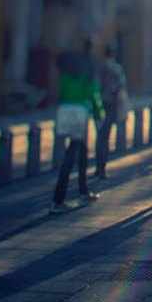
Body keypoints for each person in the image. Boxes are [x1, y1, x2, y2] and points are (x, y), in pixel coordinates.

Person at [50, 39, 103, 214]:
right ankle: (58, 200)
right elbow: (93, 92)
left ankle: (83, 190)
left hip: (65, 110)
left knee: (81, 151)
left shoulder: (67, 67)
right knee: (73, 152)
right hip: (79, 111)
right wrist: (98, 112)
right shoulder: (87, 67)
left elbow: (59, 90)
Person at [95, 45, 129, 179]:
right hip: (111, 105)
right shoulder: (117, 69)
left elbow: (95, 85)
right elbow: (121, 85)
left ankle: (98, 168)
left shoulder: (100, 68)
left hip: (99, 104)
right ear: (113, 55)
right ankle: (102, 168)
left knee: (100, 136)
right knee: (106, 137)